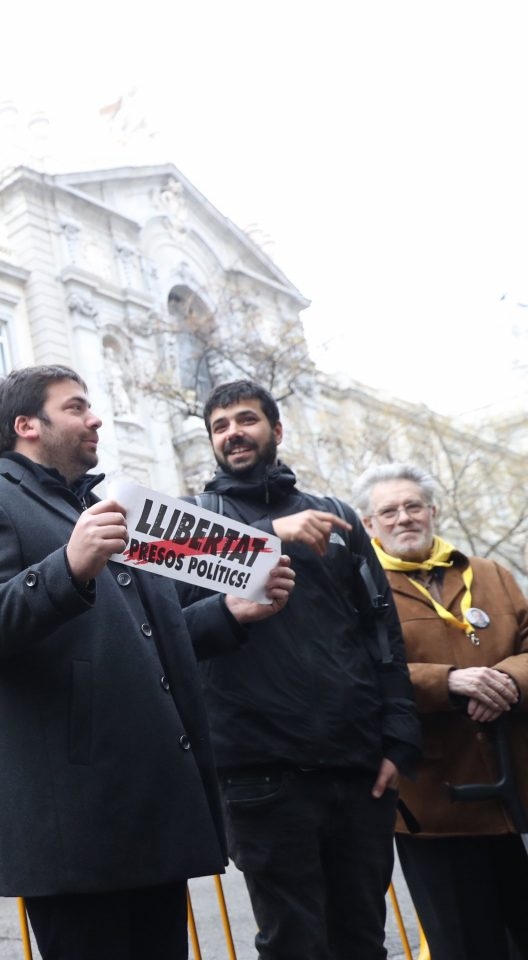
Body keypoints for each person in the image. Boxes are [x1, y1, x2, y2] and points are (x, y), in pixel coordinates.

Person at [0, 365, 295, 960]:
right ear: (27, 426)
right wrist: (67, 567)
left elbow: (150, 634)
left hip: (145, 807)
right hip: (75, 820)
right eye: (76, 407)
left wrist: (231, 615)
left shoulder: (109, 506)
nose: (95, 417)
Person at [181, 379, 421, 960]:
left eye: (246, 419)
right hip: (260, 774)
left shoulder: (337, 516)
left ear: (276, 431)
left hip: (357, 769)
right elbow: (170, 631)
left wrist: (399, 737)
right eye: (220, 426)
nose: (233, 433)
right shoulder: (188, 524)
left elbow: (381, 633)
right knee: (294, 945)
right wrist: (267, 538)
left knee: (363, 939)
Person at [353, 462, 528, 960]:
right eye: (389, 511)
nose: (403, 518)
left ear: (432, 511)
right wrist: (447, 682)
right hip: (433, 802)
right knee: (467, 946)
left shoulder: (488, 573)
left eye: (413, 506)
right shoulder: (358, 588)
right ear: (370, 525)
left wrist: (507, 681)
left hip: (516, 789)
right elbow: (357, 673)